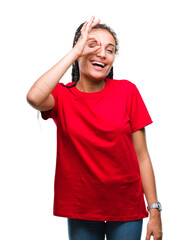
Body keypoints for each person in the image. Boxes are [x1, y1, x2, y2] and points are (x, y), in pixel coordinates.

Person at [27, 16, 163, 240]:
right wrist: (75, 51)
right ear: (78, 51)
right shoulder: (62, 96)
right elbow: (33, 97)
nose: (102, 54)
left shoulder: (127, 92)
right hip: (81, 207)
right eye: (92, 46)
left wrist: (155, 210)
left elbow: (143, 157)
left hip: (126, 205)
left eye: (110, 50)